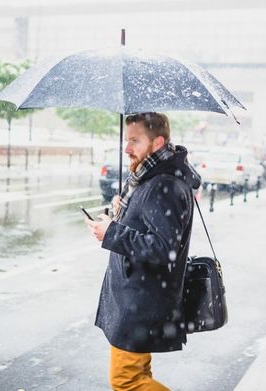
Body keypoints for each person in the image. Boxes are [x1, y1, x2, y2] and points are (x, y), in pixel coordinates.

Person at [85, 112, 201, 390]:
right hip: (137, 298)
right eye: (127, 140)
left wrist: (111, 233)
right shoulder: (149, 178)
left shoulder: (163, 184)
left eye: (135, 141)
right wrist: (118, 216)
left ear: (158, 142)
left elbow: (163, 247)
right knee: (140, 376)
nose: (127, 148)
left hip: (141, 300)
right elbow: (146, 226)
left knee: (128, 382)